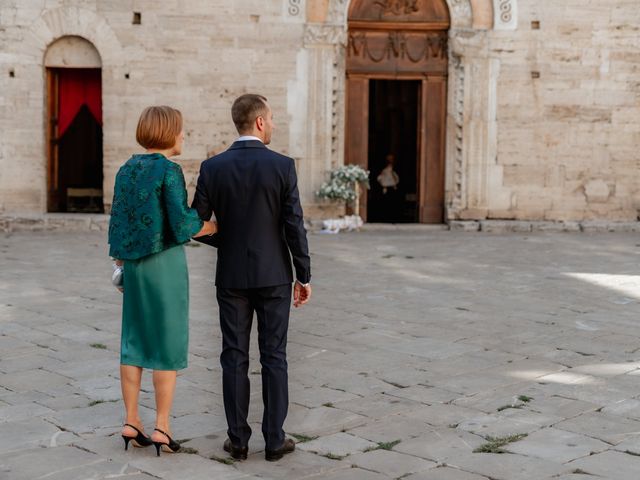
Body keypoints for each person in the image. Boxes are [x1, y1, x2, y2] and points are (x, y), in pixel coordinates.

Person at [192, 94, 311, 461]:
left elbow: (195, 224)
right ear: (259, 122)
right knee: (274, 355)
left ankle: (238, 440)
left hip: (231, 276)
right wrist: (303, 275)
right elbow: (294, 225)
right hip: (275, 274)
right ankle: (274, 441)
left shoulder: (213, 168)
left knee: (234, 356)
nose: (274, 124)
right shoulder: (282, 166)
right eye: (272, 118)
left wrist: (228, 243)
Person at [108, 106, 217, 456]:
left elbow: (117, 220)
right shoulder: (169, 170)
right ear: (168, 132)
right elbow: (182, 223)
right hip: (164, 263)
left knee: (134, 339)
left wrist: (122, 256)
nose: (184, 135)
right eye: (181, 130)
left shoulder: (126, 168)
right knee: (167, 341)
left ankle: (130, 420)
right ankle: (162, 427)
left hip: (133, 263)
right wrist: (216, 226)